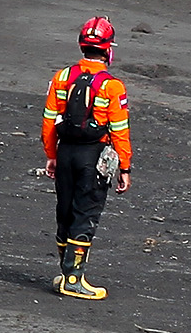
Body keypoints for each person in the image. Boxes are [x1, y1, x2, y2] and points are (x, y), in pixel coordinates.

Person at [37, 16, 132, 301]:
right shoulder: (112, 86)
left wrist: (52, 155)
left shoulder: (62, 77)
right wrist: (125, 168)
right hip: (93, 157)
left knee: (64, 212)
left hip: (65, 152)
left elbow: (48, 121)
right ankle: (74, 280)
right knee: (85, 214)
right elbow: (120, 131)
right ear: (107, 49)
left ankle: (67, 273)